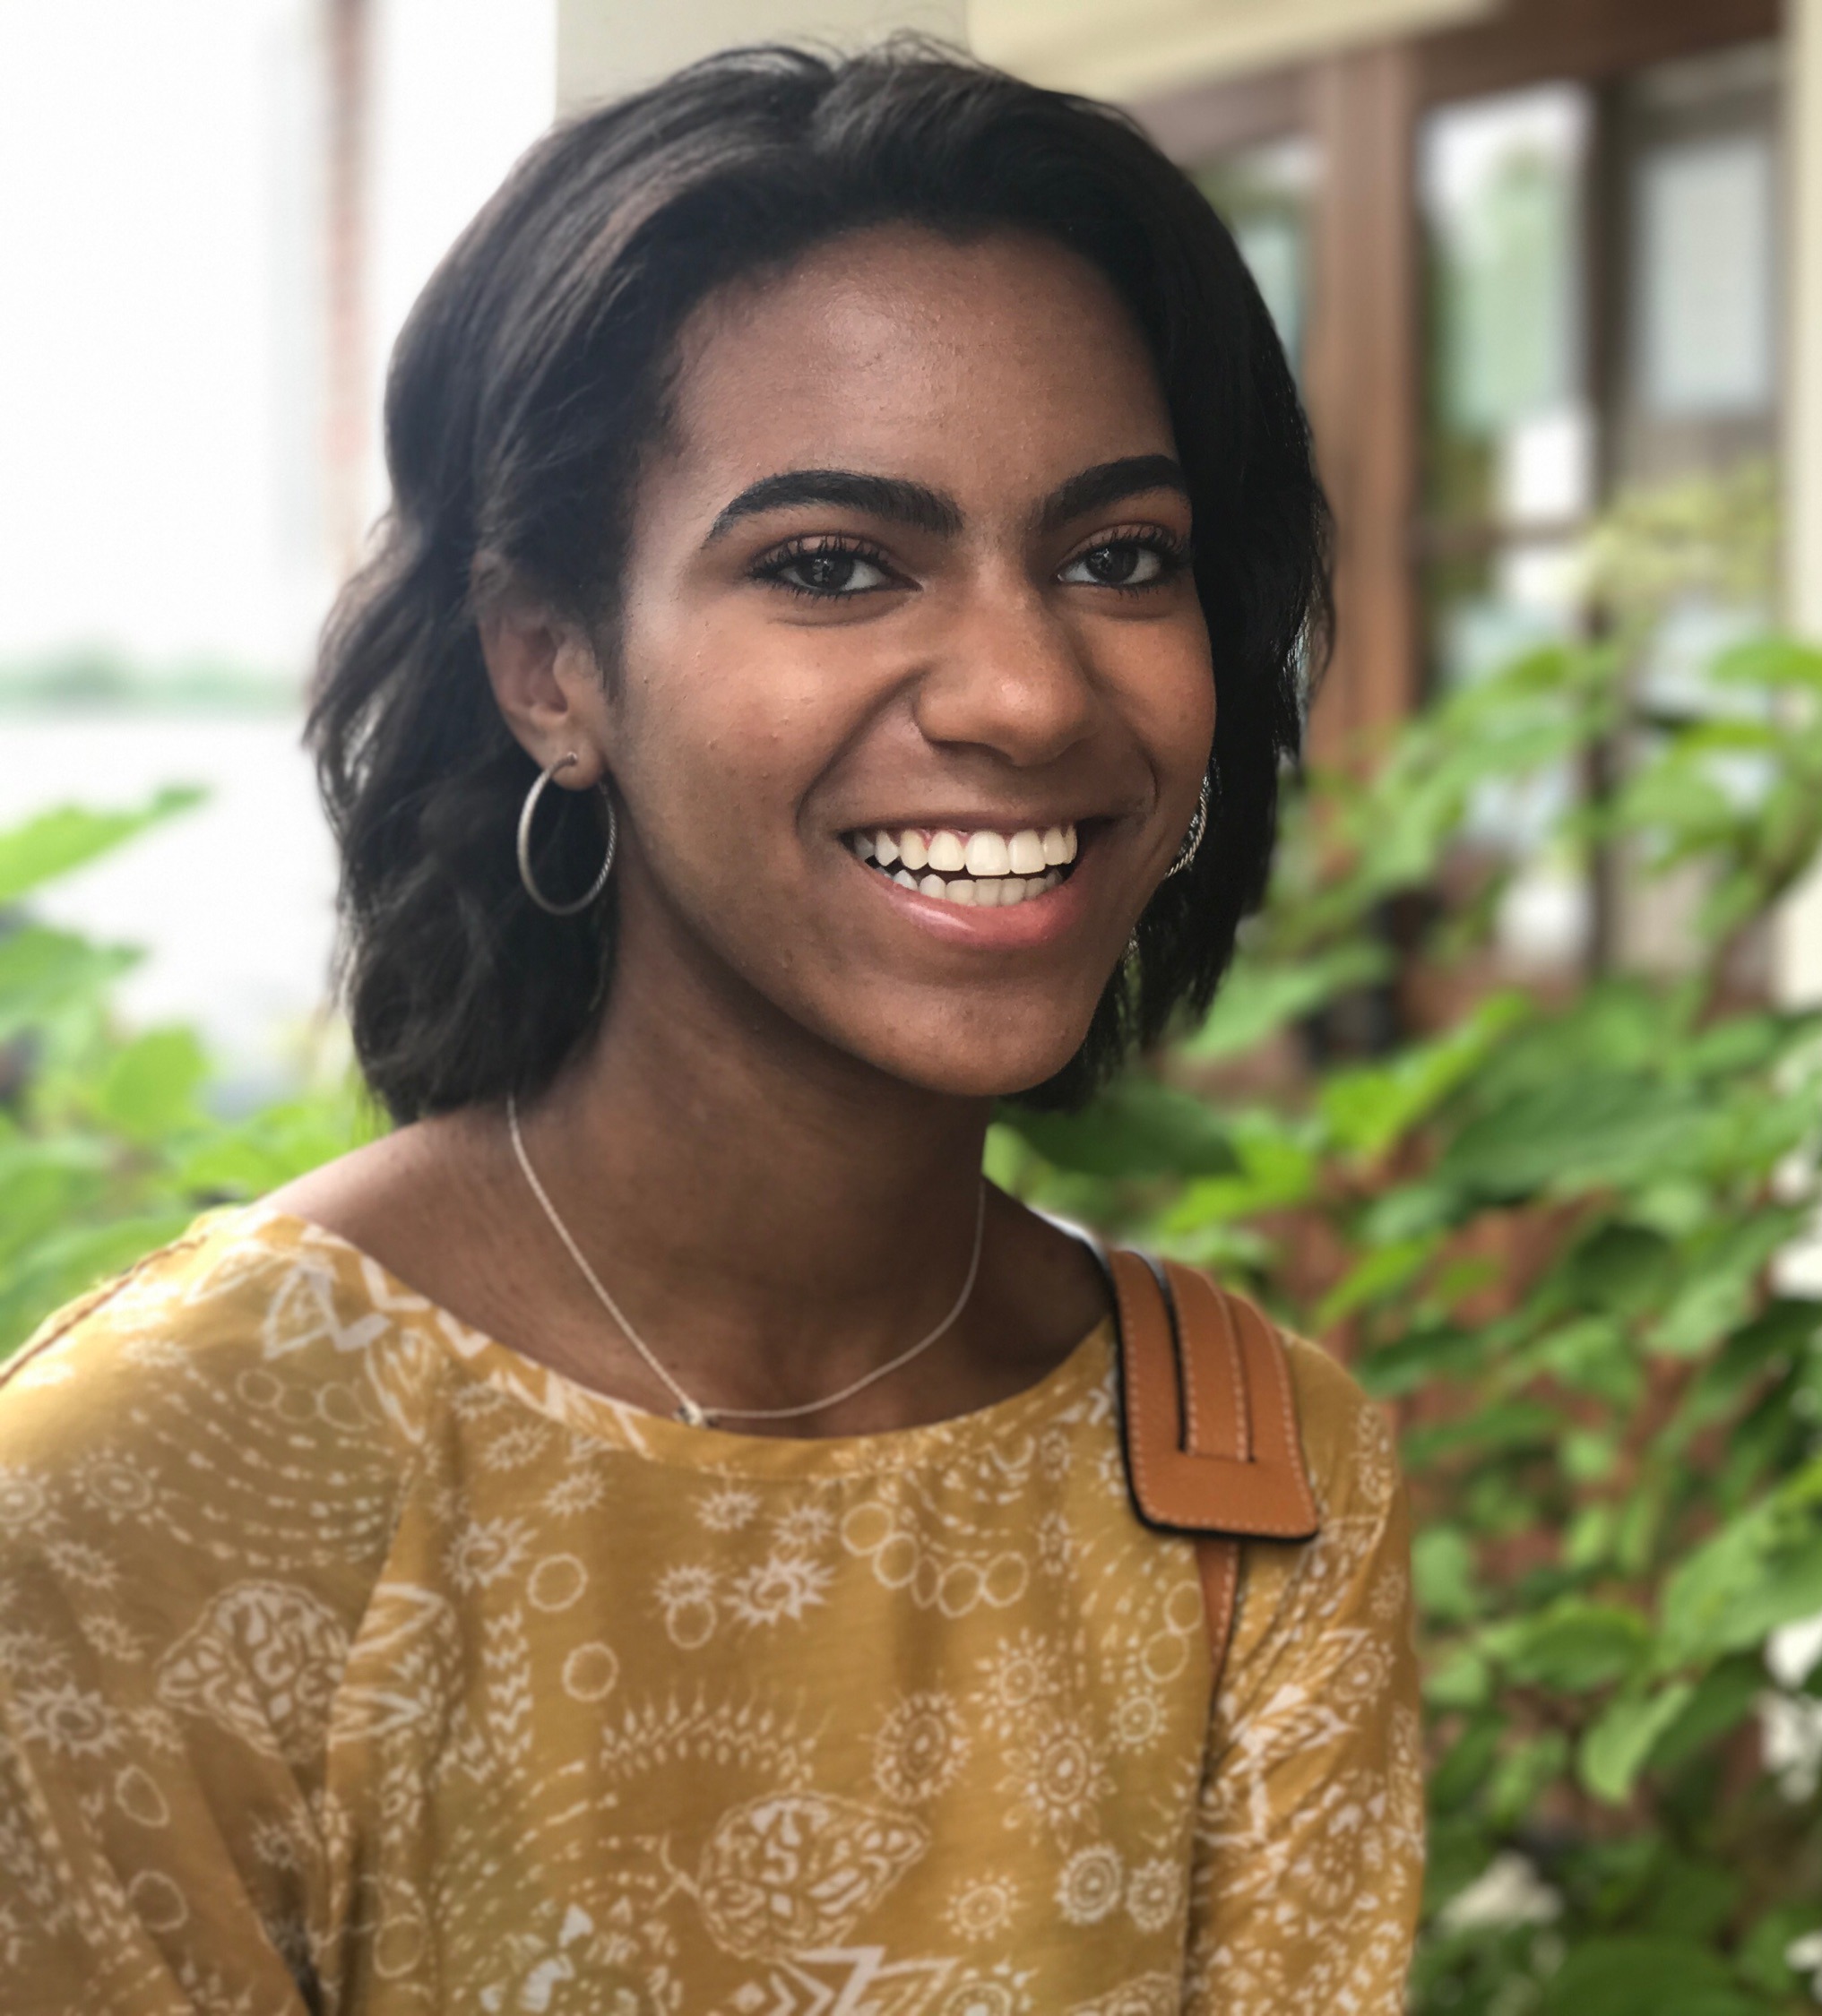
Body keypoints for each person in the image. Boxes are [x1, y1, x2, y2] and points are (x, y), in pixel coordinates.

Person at [0, 42, 1421, 2013]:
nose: (1025, 690)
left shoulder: (1252, 1481)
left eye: (1120, 558)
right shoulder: (151, 1489)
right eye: (832, 565)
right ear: (551, 669)